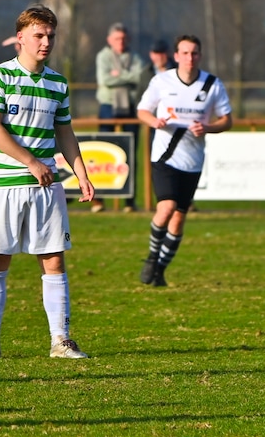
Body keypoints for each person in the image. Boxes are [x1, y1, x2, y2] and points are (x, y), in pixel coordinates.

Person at [0, 5, 94, 361]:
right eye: (39, 35)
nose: (46, 42)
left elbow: (64, 132)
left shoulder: (58, 83)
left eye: (50, 35)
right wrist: (31, 162)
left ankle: (61, 341)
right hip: (4, 184)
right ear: (20, 37)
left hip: (46, 186)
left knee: (53, 261)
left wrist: (81, 174)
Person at [135, 35, 233, 287]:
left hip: (193, 161)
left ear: (200, 56)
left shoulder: (211, 84)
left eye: (194, 53)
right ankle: (152, 257)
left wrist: (208, 128)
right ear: (176, 56)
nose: (190, 58)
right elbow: (142, 110)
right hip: (164, 156)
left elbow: (227, 120)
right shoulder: (161, 81)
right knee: (166, 208)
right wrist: (154, 121)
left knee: (179, 219)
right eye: (185, 53)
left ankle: (160, 271)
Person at [93, 23, 147, 213]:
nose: (120, 42)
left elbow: (140, 78)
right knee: (103, 152)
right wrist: (128, 76)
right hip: (108, 107)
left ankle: (129, 202)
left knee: (130, 153)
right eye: (117, 38)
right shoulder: (103, 56)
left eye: (123, 38)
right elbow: (105, 80)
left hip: (130, 107)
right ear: (109, 40)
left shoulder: (136, 57)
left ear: (128, 39)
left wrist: (118, 75)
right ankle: (98, 200)